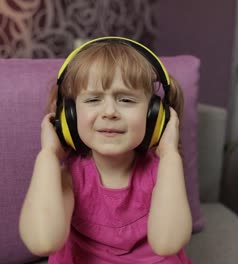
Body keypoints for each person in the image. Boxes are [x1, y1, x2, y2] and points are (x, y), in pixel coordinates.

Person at [19, 36, 193, 263]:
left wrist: (170, 154)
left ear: (155, 116)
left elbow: (167, 243)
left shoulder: (161, 173)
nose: (109, 112)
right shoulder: (68, 177)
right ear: (69, 116)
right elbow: (42, 242)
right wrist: (48, 156)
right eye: (93, 100)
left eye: (127, 100)